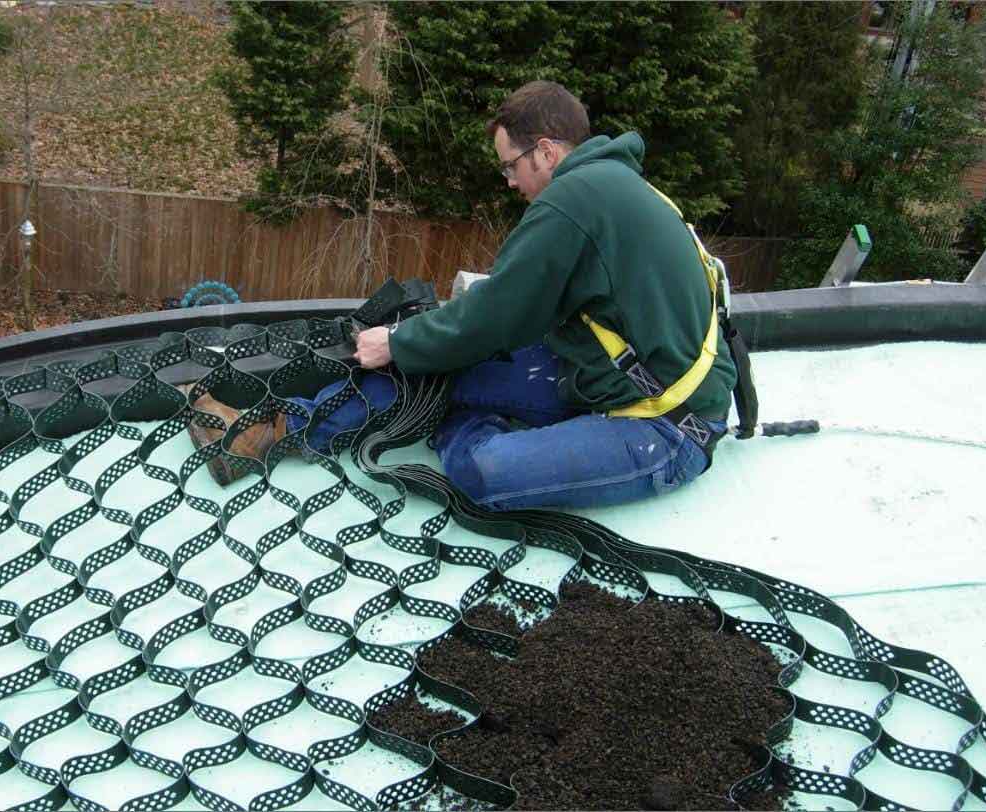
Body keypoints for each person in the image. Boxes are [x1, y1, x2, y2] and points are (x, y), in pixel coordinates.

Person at [190, 80, 736, 510]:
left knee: (482, 474)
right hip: (603, 375)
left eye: (510, 165)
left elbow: (496, 317)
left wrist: (399, 341)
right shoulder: (622, 188)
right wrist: (423, 349)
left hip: (665, 428)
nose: (510, 181)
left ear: (545, 152)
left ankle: (453, 420)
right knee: (434, 367)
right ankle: (270, 432)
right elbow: (510, 308)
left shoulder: (573, 201)